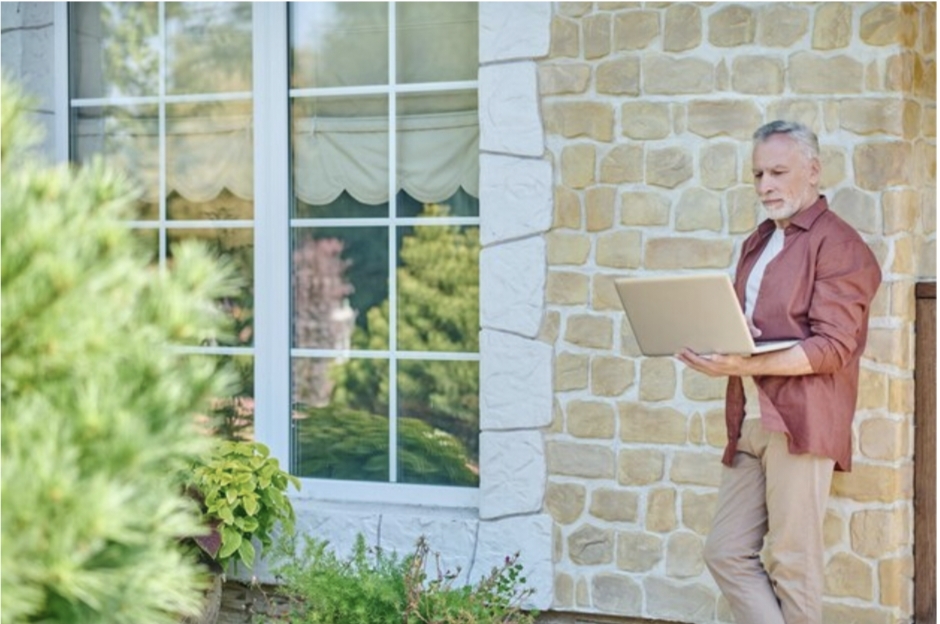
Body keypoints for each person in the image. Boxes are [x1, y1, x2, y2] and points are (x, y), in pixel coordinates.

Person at [676, 120, 882, 624]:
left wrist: (743, 362)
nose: (765, 185)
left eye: (778, 172)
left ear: (813, 171)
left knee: (793, 563)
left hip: (801, 422)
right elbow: (757, 326)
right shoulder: (759, 241)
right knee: (725, 551)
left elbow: (831, 348)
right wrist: (716, 340)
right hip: (748, 416)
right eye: (757, 175)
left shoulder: (841, 247)